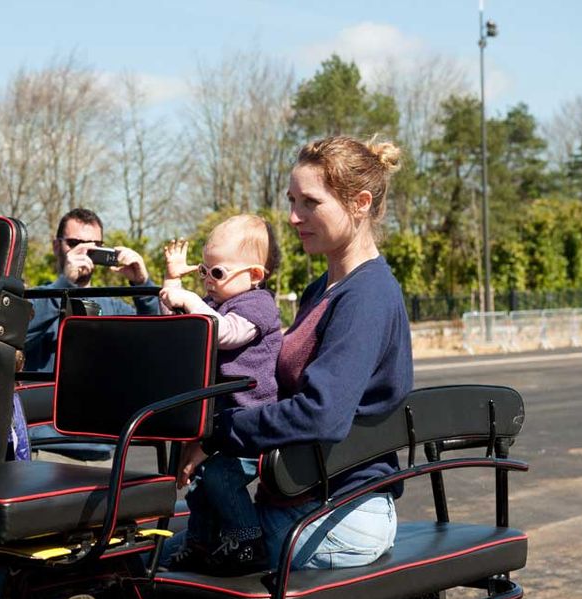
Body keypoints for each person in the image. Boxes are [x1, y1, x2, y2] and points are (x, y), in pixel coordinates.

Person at [163, 135, 412, 573]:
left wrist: (218, 433)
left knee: (165, 569)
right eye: (292, 200)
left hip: (342, 515)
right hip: (301, 501)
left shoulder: (367, 295)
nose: (294, 217)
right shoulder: (324, 289)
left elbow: (322, 413)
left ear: (360, 203)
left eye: (310, 202)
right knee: (156, 555)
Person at [158, 215, 283, 575]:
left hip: (252, 422)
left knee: (219, 478)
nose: (208, 282)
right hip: (222, 422)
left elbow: (221, 333)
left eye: (217, 274)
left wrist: (190, 298)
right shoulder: (218, 302)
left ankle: (248, 540)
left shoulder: (256, 306)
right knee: (200, 487)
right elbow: (179, 323)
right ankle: (201, 541)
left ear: (255, 275)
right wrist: (173, 282)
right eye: (204, 271)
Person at [23, 208, 159, 373]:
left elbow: (151, 344)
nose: (83, 252)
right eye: (74, 243)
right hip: (45, 397)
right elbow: (19, 336)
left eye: (94, 247)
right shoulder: (36, 298)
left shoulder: (114, 307)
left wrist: (143, 287)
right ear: (56, 247)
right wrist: (65, 283)